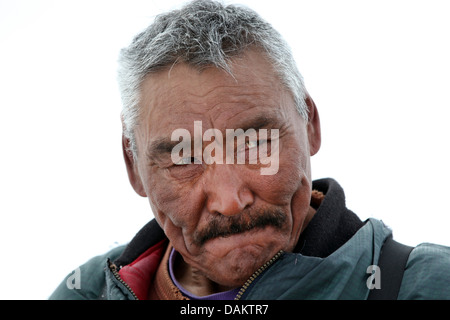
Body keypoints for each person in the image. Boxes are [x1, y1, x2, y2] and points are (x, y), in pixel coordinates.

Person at [50, 0, 450, 300]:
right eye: (184, 157)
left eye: (256, 143)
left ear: (309, 125)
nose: (229, 201)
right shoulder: (84, 293)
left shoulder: (430, 286)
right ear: (133, 166)